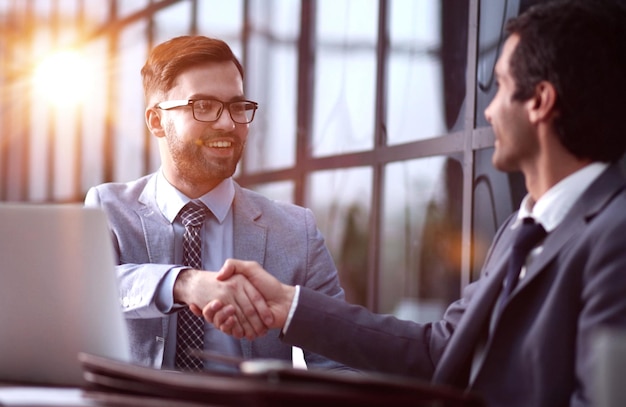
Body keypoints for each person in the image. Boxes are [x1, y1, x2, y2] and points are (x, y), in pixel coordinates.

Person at [203, 1, 626, 405]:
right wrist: (288, 305)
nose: (488, 110)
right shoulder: (521, 227)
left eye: (500, 86)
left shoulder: (615, 237)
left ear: (539, 101)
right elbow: (438, 351)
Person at [84, 35, 350, 372]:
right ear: (156, 121)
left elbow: (338, 361)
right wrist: (184, 284)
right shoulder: (109, 209)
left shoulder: (297, 232)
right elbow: (90, 291)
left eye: (237, 106)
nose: (227, 123)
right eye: (204, 106)